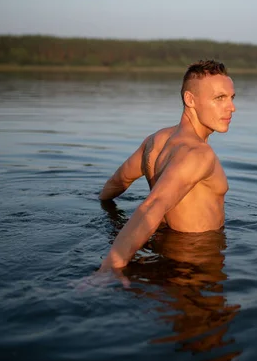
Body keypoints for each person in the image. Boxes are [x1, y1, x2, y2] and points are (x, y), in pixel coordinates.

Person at [97, 60, 236, 273]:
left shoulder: (156, 140)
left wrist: (104, 205)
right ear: (190, 99)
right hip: (194, 264)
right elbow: (154, 205)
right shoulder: (198, 153)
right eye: (219, 98)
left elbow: (117, 183)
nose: (231, 107)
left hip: (160, 247)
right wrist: (109, 269)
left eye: (231, 98)